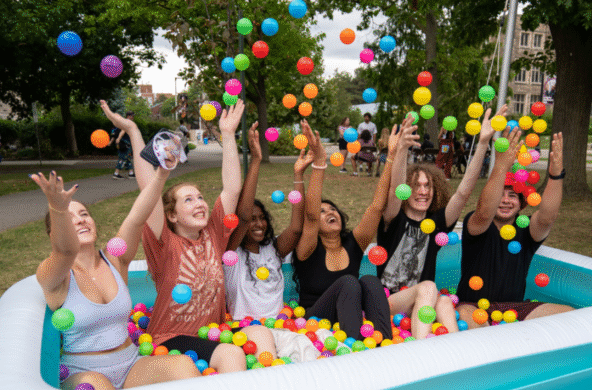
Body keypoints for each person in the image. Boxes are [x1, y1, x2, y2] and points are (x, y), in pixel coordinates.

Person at [100, 99, 275, 371]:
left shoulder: (214, 234)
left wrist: (228, 135)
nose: (200, 203)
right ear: (172, 215)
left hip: (215, 332)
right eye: (188, 200)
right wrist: (133, 131)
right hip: (171, 338)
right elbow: (148, 189)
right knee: (230, 355)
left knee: (262, 335)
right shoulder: (163, 242)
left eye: (201, 197)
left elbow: (231, 189)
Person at [32, 165, 201, 390]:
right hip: (85, 373)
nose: (81, 220)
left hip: (131, 364)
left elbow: (137, 218)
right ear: (54, 234)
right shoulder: (54, 276)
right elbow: (65, 251)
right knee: (99, 389)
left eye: (84, 214)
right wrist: (57, 208)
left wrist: (161, 174)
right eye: (70, 217)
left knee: (183, 365)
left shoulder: (115, 260)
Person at [378, 107, 500, 338]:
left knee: (444, 301)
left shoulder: (437, 222)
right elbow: (395, 190)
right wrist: (402, 149)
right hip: (387, 303)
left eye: (428, 186)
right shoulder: (394, 218)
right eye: (416, 186)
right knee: (429, 288)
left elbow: (463, 193)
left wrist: (483, 143)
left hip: (420, 306)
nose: (422, 191)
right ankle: (422, 349)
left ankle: (456, 353)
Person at [456, 130, 575, 328]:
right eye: (501, 194)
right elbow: (485, 211)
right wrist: (501, 167)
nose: (504, 200)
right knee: (473, 322)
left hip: (514, 309)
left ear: (521, 204)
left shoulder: (527, 230)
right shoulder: (477, 224)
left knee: (568, 315)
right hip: (472, 306)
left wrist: (555, 174)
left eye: (512, 196)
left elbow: (547, 217)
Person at [293, 119, 393, 342]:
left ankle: (386, 345)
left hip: (345, 321)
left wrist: (391, 157)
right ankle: (355, 351)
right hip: (315, 323)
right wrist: (319, 163)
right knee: (349, 282)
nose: (330, 212)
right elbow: (309, 217)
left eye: (333, 209)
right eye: (323, 211)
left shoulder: (353, 243)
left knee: (370, 280)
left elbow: (376, 208)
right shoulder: (308, 247)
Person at [224, 121, 306, 320]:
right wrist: (256, 160)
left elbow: (296, 229)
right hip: (245, 331)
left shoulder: (273, 249)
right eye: (253, 220)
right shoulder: (231, 254)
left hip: (281, 327)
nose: (259, 224)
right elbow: (242, 218)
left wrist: (298, 175)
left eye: (262, 218)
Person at [109, 110, 135, 179]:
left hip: (123, 143)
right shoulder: (127, 122)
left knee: (128, 158)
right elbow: (123, 131)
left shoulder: (121, 123)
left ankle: (131, 173)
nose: (133, 117)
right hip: (125, 144)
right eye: (132, 116)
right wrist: (119, 138)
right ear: (129, 116)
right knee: (122, 158)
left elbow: (115, 133)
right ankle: (116, 173)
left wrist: (111, 142)